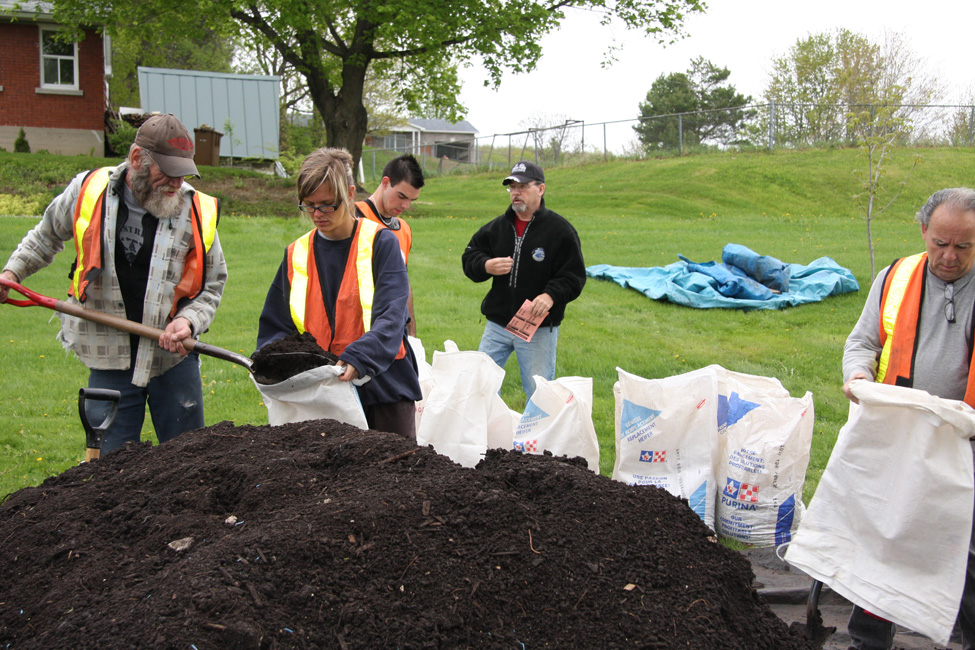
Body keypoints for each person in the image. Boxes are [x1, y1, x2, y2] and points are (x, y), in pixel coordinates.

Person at [0, 113, 227, 453]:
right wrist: (11, 274)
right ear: (137, 159)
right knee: (111, 467)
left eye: (183, 174)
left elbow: (213, 284)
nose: (177, 183)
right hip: (109, 353)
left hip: (172, 357)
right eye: (168, 171)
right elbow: (45, 237)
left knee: (188, 460)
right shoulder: (88, 191)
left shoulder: (196, 209)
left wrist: (189, 320)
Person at [842, 187, 975, 650]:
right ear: (924, 231)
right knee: (885, 536)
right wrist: (857, 373)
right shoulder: (894, 277)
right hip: (899, 434)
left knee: (968, 548)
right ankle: (869, 640)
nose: (950, 257)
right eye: (940, 243)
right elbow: (862, 342)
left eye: (963, 246)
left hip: (967, 443)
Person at [257, 147, 421, 439]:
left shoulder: (380, 244)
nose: (317, 214)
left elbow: (393, 315)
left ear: (349, 192)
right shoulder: (297, 254)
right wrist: (269, 360)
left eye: (327, 204)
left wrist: (360, 357)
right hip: (323, 392)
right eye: (308, 205)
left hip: (383, 387)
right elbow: (277, 325)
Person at [461, 160, 586, 400]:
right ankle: (486, 435)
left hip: (537, 327)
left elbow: (574, 276)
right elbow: (470, 257)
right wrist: (486, 265)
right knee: (479, 386)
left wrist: (550, 295)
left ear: (540, 189)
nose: (515, 192)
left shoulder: (560, 231)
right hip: (497, 324)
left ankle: (536, 438)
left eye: (522, 186)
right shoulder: (496, 228)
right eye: (512, 187)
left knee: (539, 394)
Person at [355, 154, 424, 337]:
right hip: (358, 329)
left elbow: (403, 283)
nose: (406, 205)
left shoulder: (404, 230)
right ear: (386, 182)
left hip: (392, 331)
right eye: (401, 196)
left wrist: (410, 328)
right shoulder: (353, 219)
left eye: (411, 200)